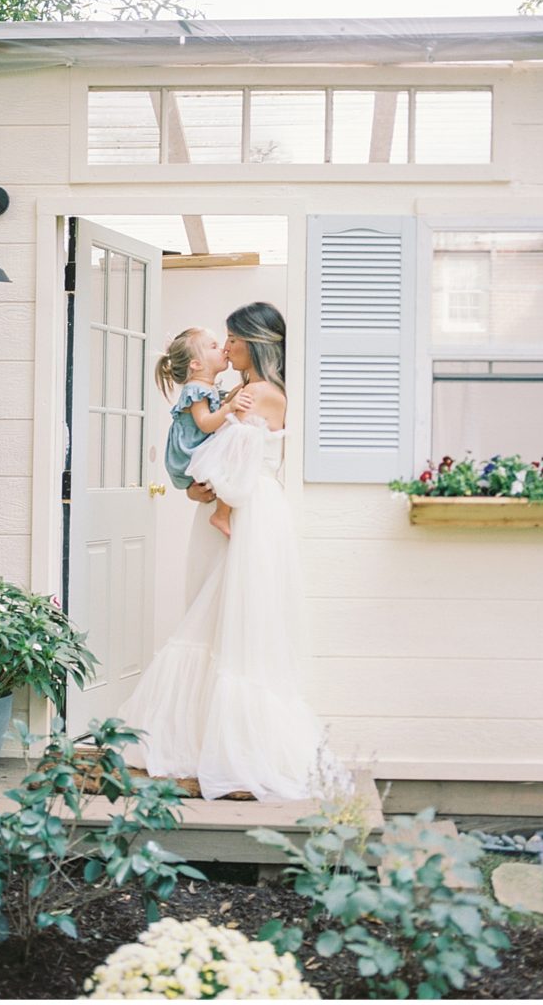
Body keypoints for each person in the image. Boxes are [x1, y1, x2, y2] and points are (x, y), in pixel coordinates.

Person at [118, 303, 350, 802]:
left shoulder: (259, 393)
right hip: (236, 505)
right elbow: (214, 452)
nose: (226, 348)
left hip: (246, 512)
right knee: (219, 615)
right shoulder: (241, 392)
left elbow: (231, 458)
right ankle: (206, 737)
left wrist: (206, 489)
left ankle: (236, 744)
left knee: (229, 620)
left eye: (233, 340)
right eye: (221, 341)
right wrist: (193, 489)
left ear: (255, 343)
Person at [155, 327, 253, 538]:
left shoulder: (206, 388)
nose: (223, 349)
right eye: (214, 346)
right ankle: (221, 514)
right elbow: (206, 424)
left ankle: (221, 512)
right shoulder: (195, 389)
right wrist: (229, 407)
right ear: (196, 364)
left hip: (196, 451)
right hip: (188, 454)